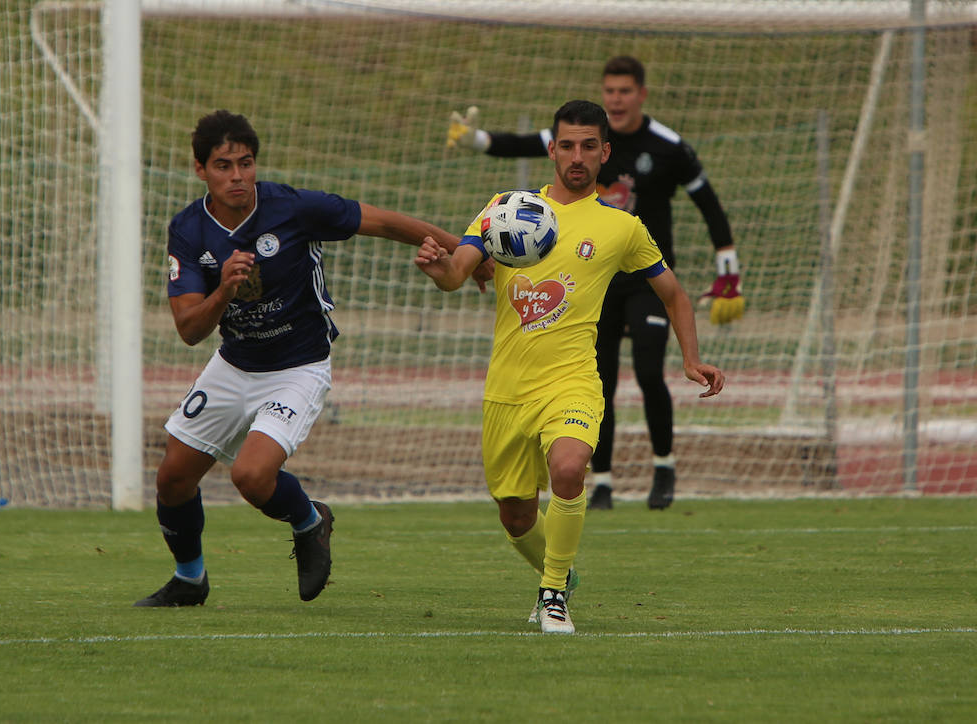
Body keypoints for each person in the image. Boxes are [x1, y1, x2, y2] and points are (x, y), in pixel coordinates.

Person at [136, 110, 483, 606]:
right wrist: (225, 291)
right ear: (200, 170)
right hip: (233, 364)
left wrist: (467, 254)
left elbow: (385, 222)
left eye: (246, 163)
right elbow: (190, 329)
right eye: (223, 166)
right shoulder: (189, 231)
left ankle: (310, 521)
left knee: (251, 477)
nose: (237, 176)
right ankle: (189, 580)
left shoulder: (292, 208)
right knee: (172, 477)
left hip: (298, 367)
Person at [418, 100, 724, 633]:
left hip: (574, 381)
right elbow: (457, 273)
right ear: (552, 149)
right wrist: (440, 267)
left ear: (605, 153)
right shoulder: (504, 209)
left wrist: (691, 357)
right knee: (515, 516)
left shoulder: (621, 227)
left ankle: (553, 593)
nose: (577, 156)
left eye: (589, 146)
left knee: (567, 469)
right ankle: (560, 569)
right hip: (507, 388)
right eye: (567, 145)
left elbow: (673, 294)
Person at [446, 55, 742, 511]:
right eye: (611, 90)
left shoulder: (663, 152)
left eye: (625, 91)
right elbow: (521, 145)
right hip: (588, 292)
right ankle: (599, 479)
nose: (617, 98)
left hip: (642, 278)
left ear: (640, 96)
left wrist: (728, 270)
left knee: (646, 370)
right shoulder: (540, 182)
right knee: (597, 379)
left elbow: (709, 205)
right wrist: (477, 141)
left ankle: (662, 468)